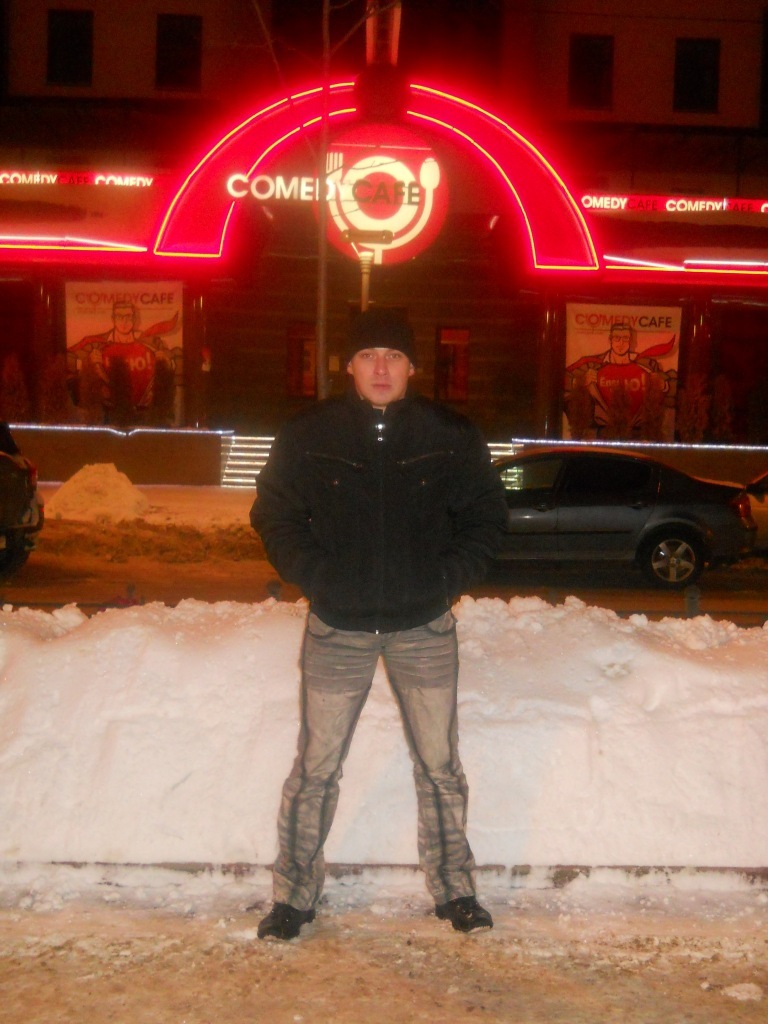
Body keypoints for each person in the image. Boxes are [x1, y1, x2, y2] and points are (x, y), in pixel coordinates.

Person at [250, 308, 508, 940]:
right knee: (315, 769)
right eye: (369, 355)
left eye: (393, 355)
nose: (381, 367)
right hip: (337, 628)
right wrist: (317, 576)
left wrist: (445, 580)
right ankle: (293, 898)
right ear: (350, 364)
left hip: (424, 628)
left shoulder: (451, 435)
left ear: (413, 366)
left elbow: (486, 517)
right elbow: (275, 515)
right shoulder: (309, 433)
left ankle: (455, 890)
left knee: (440, 766)